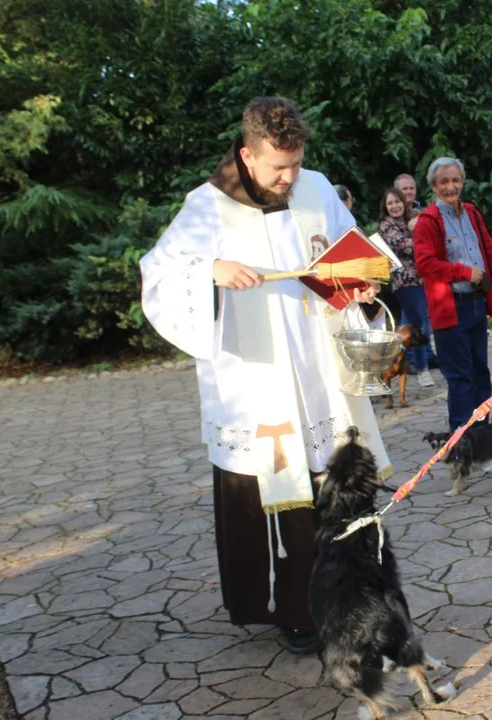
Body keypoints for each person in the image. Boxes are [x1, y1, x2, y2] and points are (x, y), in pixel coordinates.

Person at [139, 97, 391, 655]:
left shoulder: (317, 188)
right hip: (257, 381)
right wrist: (210, 270)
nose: (289, 177)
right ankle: (297, 612)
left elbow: (347, 254)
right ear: (247, 154)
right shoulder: (206, 207)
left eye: (296, 164)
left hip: (319, 366)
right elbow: (157, 273)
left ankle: (355, 596)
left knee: (336, 482)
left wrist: (362, 280)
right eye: (279, 167)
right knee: (279, 491)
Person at [414, 157, 492, 431]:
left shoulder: (472, 213)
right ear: (433, 186)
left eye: (455, 180)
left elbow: (489, 250)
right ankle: (462, 441)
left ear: (462, 182)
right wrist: (464, 273)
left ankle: (484, 433)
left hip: (476, 303)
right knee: (460, 377)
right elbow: (425, 264)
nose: (451, 186)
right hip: (450, 308)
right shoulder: (428, 221)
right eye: (444, 182)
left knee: (481, 372)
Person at [379, 186, 435, 387]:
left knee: (409, 326)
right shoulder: (387, 226)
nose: (395, 206)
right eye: (390, 203)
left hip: (424, 279)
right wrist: (421, 234)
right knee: (421, 325)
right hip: (405, 282)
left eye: (397, 201)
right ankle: (422, 369)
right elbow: (407, 246)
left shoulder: (413, 218)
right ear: (385, 208)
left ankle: (394, 363)